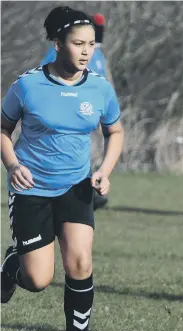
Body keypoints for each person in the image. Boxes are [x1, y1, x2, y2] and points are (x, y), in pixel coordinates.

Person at [1, 6, 124, 331]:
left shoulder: (100, 89)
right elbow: (3, 131)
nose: (86, 51)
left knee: (80, 263)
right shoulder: (27, 86)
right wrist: (13, 165)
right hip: (32, 188)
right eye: (78, 43)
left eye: (90, 44)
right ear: (57, 43)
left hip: (76, 187)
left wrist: (105, 170)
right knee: (38, 280)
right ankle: (12, 266)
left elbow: (114, 131)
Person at [42, 12, 112, 210]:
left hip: (88, 112)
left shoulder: (98, 55)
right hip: (65, 109)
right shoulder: (62, 50)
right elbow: (45, 74)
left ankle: (85, 193)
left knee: (83, 152)